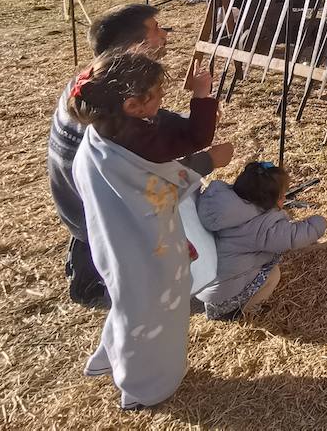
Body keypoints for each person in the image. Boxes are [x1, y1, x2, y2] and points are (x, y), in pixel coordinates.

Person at [47, 3, 232, 307]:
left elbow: (160, 130)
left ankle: (91, 256)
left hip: (87, 207)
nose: (164, 33)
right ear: (135, 45)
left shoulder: (95, 88)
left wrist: (196, 115)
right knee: (204, 265)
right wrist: (208, 158)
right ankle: (107, 276)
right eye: (156, 29)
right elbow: (150, 178)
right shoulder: (114, 122)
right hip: (107, 217)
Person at [68, 50, 207, 409]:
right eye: (158, 93)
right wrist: (207, 159)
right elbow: (165, 173)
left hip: (121, 242)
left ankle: (115, 357)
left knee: (131, 304)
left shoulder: (108, 131)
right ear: (132, 104)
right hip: (141, 249)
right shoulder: (138, 141)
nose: (162, 99)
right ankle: (144, 385)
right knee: (147, 309)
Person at [194, 161, 327, 320]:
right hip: (225, 293)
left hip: (205, 283)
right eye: (282, 195)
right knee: (273, 275)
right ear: (270, 201)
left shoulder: (222, 204)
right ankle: (244, 310)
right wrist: (319, 223)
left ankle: (223, 307)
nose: (285, 198)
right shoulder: (261, 226)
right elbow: (294, 236)